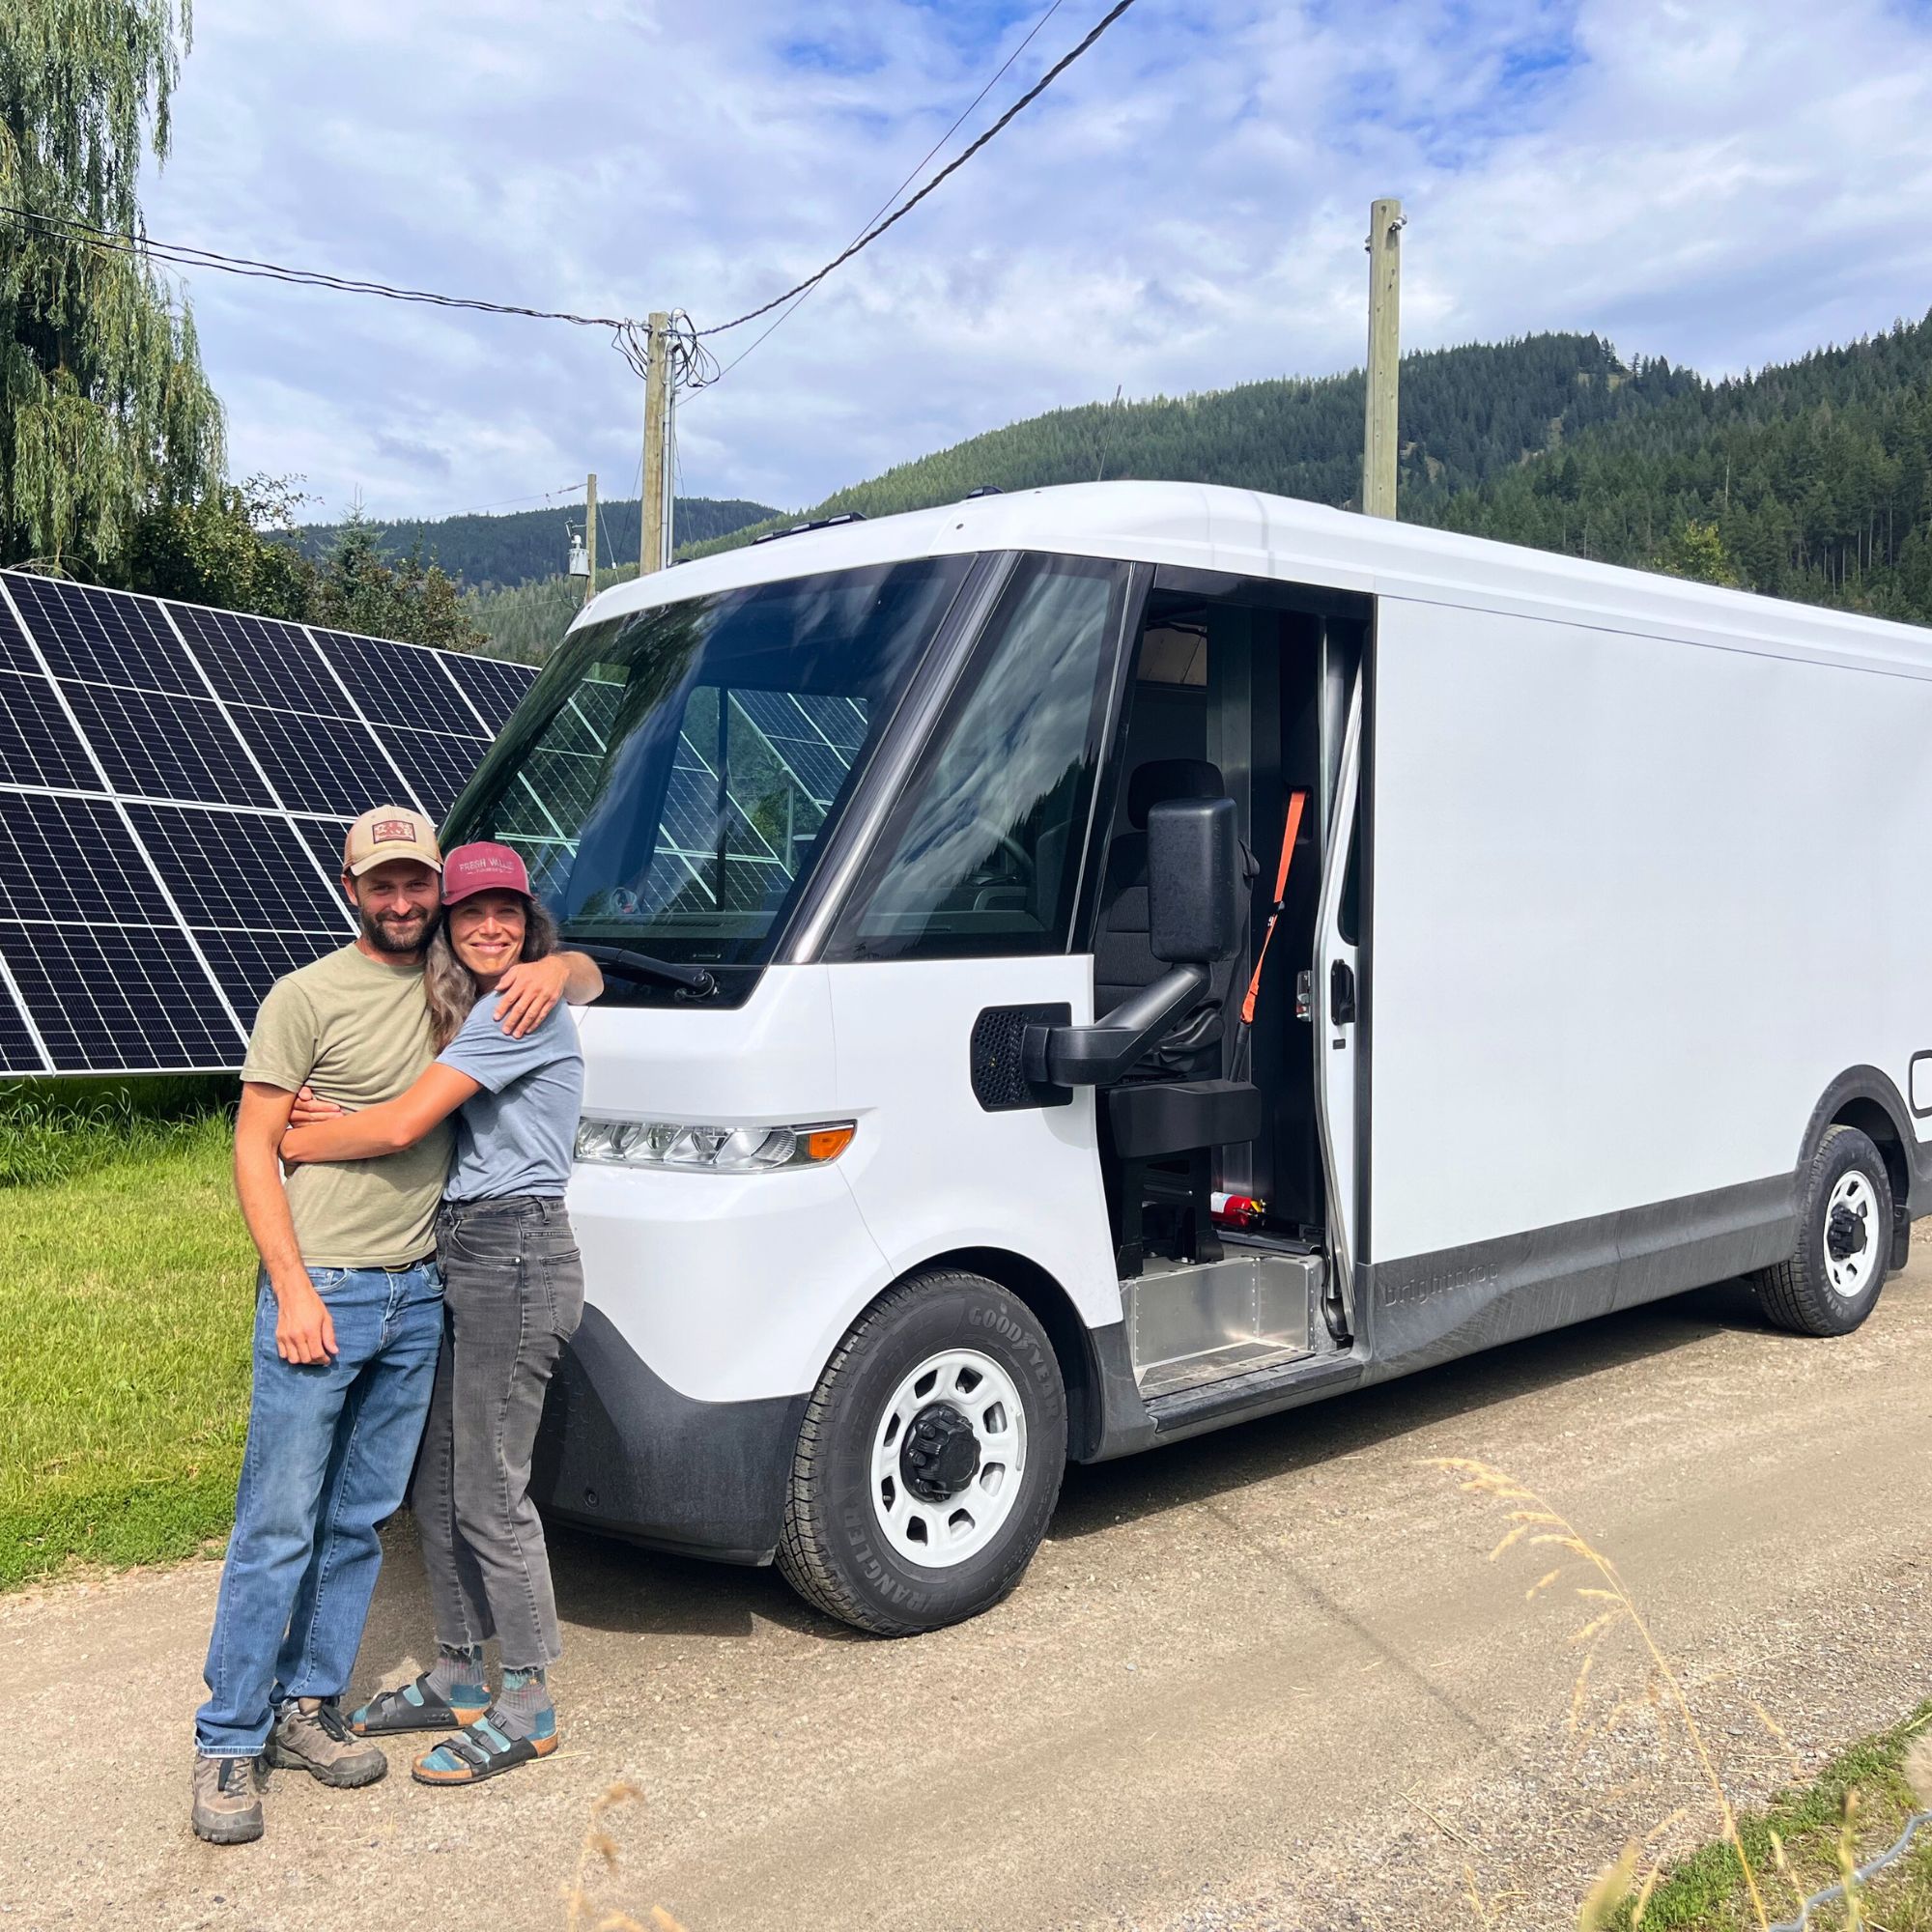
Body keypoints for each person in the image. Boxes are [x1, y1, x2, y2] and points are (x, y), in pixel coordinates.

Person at [190, 809, 602, 1847]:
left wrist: (571, 965)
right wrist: (289, 1284)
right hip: (328, 1286)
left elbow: (429, 1106)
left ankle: (315, 1705)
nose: (408, 901)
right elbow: (250, 1145)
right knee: (282, 1521)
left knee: (370, 1514)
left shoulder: (474, 995)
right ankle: (229, 1737)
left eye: (424, 884)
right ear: (351, 886)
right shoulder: (309, 995)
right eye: (388, 884)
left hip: (428, 1284)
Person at [277, 841, 590, 1787]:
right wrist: (569, 964)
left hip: (517, 1251)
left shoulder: (515, 1007)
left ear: (527, 919)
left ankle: (528, 1699)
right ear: (449, 926)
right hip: (462, 1246)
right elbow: (588, 974)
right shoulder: (490, 1000)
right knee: (439, 1478)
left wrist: (299, 1133)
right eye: (470, 913)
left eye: (508, 911)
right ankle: (458, 1671)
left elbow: (404, 1122)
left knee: (490, 1487)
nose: (488, 925)